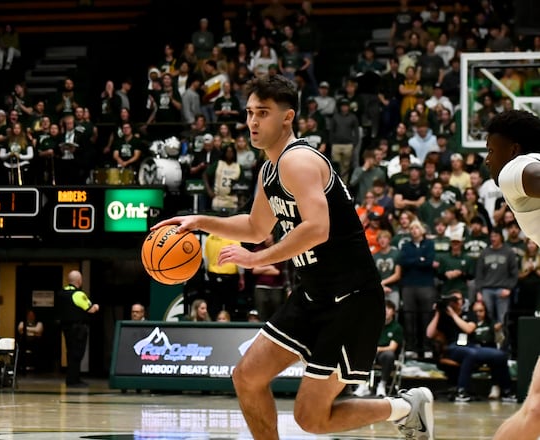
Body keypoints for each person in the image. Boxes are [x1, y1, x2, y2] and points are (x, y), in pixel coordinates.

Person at [152, 75, 433, 440]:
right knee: (247, 377)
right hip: (313, 294)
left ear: (288, 117)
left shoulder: (297, 161)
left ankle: (407, 406)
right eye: (250, 112)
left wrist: (258, 259)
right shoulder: (270, 168)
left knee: (311, 419)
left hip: (351, 300)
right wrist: (201, 221)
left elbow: (317, 228)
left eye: (263, 113)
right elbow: (255, 226)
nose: (253, 122)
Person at [483, 109, 540, 439]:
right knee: (534, 409)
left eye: (491, 149)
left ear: (513, 149)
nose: (488, 159)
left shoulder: (514, 169)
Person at [57, 270, 98, 387]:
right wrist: (96, 306)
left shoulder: (61, 293)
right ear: (79, 281)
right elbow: (90, 309)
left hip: (66, 328)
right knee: (77, 353)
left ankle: (72, 378)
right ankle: (73, 380)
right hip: (78, 329)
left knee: (70, 353)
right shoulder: (79, 294)